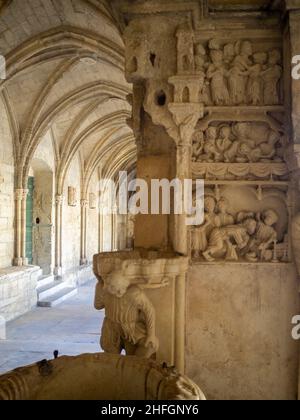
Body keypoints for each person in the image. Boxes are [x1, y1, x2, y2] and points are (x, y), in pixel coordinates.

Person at [94, 271, 158, 358]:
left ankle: (134, 368)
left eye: (110, 286)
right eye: (106, 284)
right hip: (111, 328)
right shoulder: (105, 290)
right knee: (111, 358)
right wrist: (99, 292)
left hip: (131, 329)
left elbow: (149, 310)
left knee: (142, 350)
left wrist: (151, 334)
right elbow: (97, 306)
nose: (106, 287)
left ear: (120, 290)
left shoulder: (135, 294)